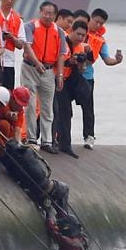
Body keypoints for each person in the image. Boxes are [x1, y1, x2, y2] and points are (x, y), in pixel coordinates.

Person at [21, 1, 68, 154]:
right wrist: (36, 62)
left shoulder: (59, 32)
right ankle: (31, 138)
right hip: (30, 68)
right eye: (45, 13)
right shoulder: (30, 26)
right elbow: (27, 45)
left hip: (48, 71)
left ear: (55, 15)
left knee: (47, 107)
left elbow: (61, 54)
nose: (47, 16)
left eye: (51, 14)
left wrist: (59, 74)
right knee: (30, 103)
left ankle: (47, 140)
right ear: (40, 12)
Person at [79, 8, 124, 149]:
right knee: (63, 108)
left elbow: (107, 60)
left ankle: (89, 136)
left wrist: (117, 60)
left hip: (87, 76)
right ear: (90, 18)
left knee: (88, 108)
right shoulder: (78, 32)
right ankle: (58, 137)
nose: (98, 25)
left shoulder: (100, 40)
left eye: (101, 23)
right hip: (71, 74)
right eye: (96, 21)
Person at [52, 20, 93, 158]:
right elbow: (54, 61)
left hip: (70, 80)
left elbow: (81, 70)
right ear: (72, 31)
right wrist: (68, 62)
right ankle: (60, 142)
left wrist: (81, 64)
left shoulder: (80, 47)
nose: (80, 38)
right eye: (78, 34)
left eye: (83, 35)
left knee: (85, 92)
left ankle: (62, 142)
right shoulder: (62, 42)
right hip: (57, 79)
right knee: (62, 112)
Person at [0, 0, 34, 90]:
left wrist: (12, 37)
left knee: (8, 93)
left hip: (9, 62)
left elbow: (21, 45)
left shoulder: (18, 19)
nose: (9, 1)